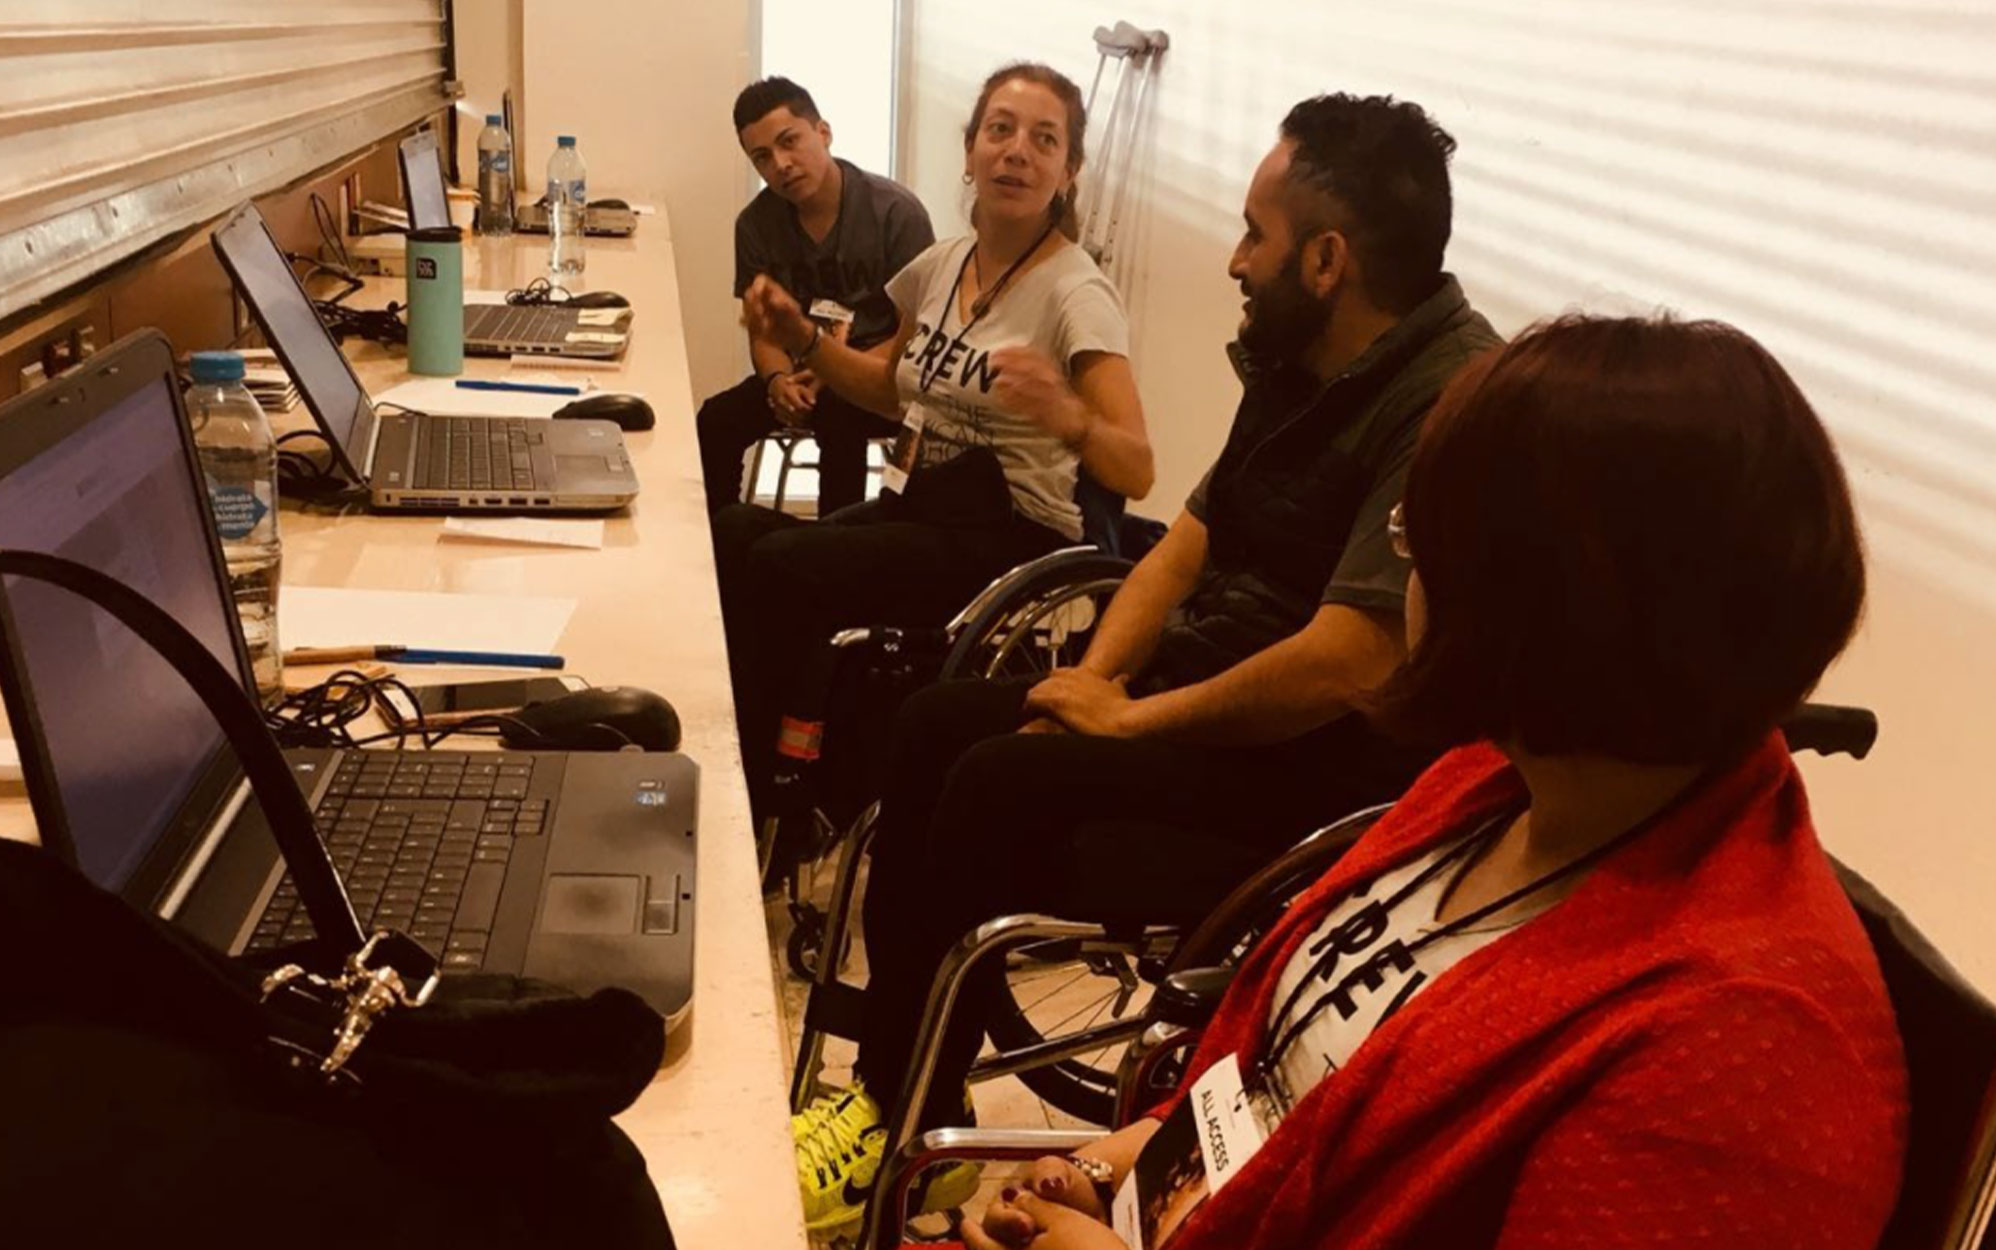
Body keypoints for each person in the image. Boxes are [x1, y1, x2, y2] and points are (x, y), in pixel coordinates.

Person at [962, 315, 1908, 1250]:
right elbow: (1269, 1094)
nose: (1404, 566)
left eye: (1414, 536)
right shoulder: (1488, 788)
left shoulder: (1740, 1056)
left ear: (1536, 597)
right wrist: (1118, 1167)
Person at [792, 93, 1501, 1222]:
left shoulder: (1448, 406)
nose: (1234, 259)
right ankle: (895, 1090)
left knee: (993, 782)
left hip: (1313, 761)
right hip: (1200, 694)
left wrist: (1129, 721)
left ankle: (900, 1114)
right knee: (932, 720)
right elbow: (1185, 541)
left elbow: (1347, 662)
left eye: (1255, 236)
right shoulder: (1303, 356)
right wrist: (1099, 679)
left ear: (1326, 260)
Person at [719, 63, 1152, 846]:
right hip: (925, 504)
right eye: (1000, 130)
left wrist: (1067, 415)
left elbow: (1136, 468)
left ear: (1068, 171)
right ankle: (760, 767)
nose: (1016, 151)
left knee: (783, 566)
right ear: (971, 150)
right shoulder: (943, 265)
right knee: (736, 532)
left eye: (1043, 139)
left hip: (1012, 533)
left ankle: (767, 792)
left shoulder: (1075, 293)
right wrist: (802, 340)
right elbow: (891, 392)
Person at [697, 77, 935, 515]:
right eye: (762, 157)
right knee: (715, 419)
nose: (781, 164)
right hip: (802, 375)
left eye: (789, 142)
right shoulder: (755, 225)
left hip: (879, 379)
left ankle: (832, 547)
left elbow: (917, 336)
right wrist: (777, 381)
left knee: (838, 412)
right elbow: (763, 334)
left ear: (823, 132)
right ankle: (718, 538)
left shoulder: (895, 213)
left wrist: (835, 369)